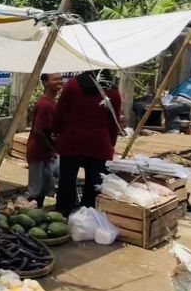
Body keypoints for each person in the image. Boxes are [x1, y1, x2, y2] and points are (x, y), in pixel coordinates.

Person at [52, 71, 122, 216]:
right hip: (98, 143)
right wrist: (111, 143)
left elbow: (60, 111)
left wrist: (56, 130)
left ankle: (63, 213)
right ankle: (88, 215)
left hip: (72, 140)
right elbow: (113, 123)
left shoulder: (73, 85)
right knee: (93, 182)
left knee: (67, 179)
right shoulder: (113, 93)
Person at [26, 72, 63, 207]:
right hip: (39, 153)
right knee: (36, 191)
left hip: (45, 154)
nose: (59, 81)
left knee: (44, 189)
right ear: (45, 83)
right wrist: (52, 149)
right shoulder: (45, 105)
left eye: (60, 78)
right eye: (55, 79)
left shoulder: (51, 103)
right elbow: (39, 130)